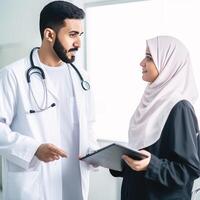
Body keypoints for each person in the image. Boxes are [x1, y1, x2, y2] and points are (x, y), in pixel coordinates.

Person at [0, 1, 97, 200]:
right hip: (34, 184)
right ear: (49, 34)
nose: (78, 43)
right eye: (72, 35)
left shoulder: (82, 77)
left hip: (73, 182)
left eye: (80, 35)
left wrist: (95, 153)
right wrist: (34, 149)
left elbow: (89, 124)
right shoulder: (13, 75)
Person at [110, 35, 200, 200]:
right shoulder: (151, 102)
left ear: (169, 64)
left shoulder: (180, 107)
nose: (142, 63)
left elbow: (189, 170)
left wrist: (151, 165)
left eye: (149, 57)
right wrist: (117, 160)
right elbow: (146, 155)